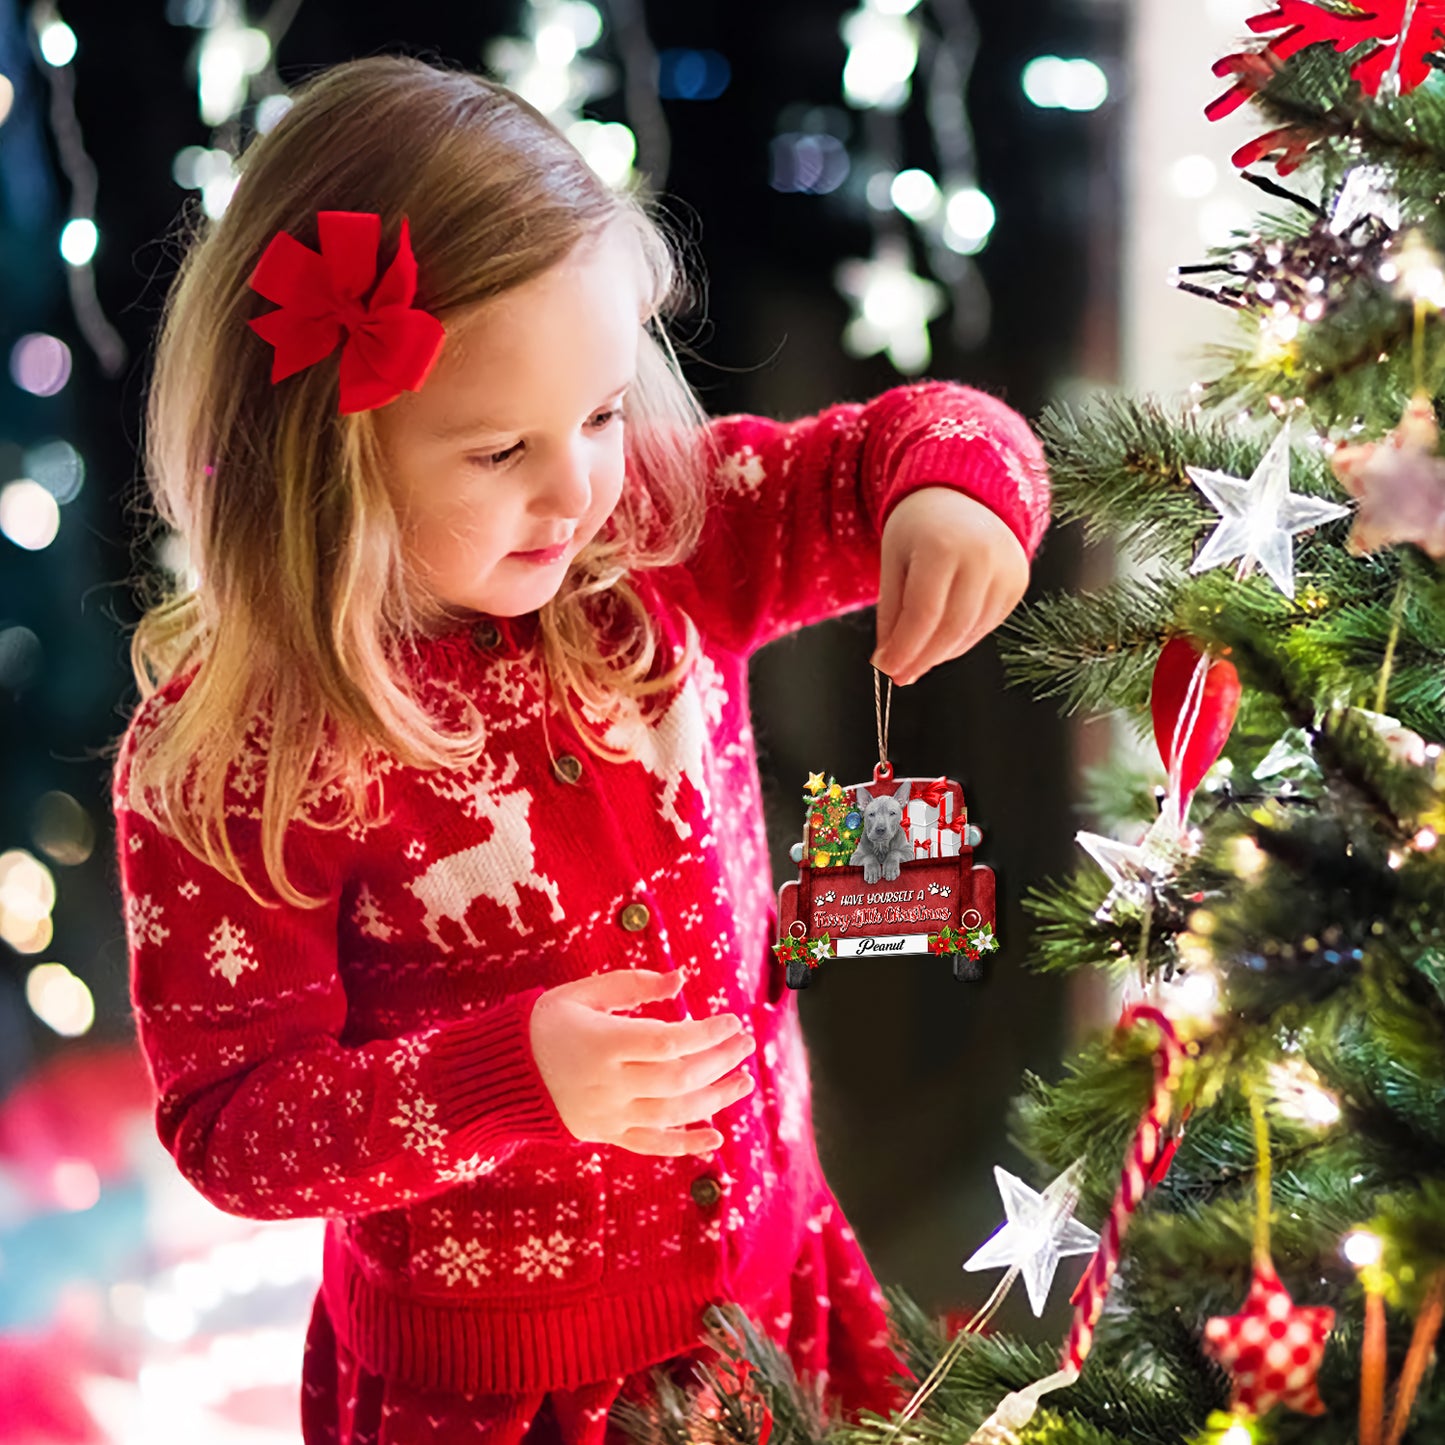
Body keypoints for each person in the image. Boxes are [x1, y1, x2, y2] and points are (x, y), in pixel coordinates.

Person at [110, 54, 1051, 1445]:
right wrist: (508, 1076)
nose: (577, 487)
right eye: (499, 452)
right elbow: (233, 1127)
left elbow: (901, 444)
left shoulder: (660, 541)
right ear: (321, 454)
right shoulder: (235, 753)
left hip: (767, 1284)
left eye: (604, 412)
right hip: (502, 1388)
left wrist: (956, 496)